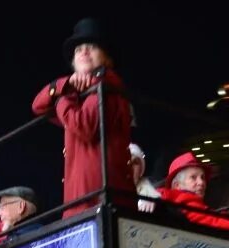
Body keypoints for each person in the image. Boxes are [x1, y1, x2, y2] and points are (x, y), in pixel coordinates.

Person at [31, 19, 132, 213]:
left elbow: (84, 126)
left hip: (98, 202)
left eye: (92, 47)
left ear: (108, 59)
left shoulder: (107, 83)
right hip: (83, 201)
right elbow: (37, 106)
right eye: (78, 50)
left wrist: (62, 99)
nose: (84, 52)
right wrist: (65, 85)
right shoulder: (77, 95)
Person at [128, 143, 158, 212]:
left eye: (135, 162)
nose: (130, 167)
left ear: (141, 169)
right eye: (127, 162)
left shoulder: (152, 193)